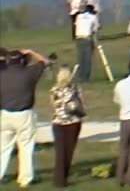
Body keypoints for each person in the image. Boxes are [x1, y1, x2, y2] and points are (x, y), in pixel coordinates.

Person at [0, 48, 49, 187]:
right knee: (26, 147)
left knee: (3, 148)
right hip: (24, 114)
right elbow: (45, 62)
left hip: (5, 114)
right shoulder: (29, 73)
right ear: (22, 61)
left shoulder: (2, 74)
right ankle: (25, 179)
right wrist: (32, 52)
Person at [48, 66, 86, 188]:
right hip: (72, 123)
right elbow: (81, 104)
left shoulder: (54, 90)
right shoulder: (74, 89)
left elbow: (53, 105)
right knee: (69, 151)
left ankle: (58, 179)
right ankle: (63, 176)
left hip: (58, 123)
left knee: (60, 152)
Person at [73, 4, 100, 82]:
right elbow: (95, 29)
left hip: (78, 38)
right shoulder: (93, 17)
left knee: (80, 57)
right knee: (87, 58)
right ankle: (86, 77)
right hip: (87, 38)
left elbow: (76, 25)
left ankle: (80, 76)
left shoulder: (79, 16)